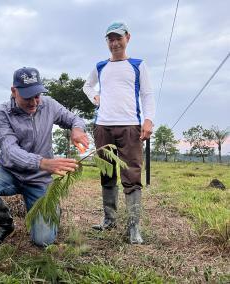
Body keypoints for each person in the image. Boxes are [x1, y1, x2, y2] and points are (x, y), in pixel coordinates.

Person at [0, 67, 89, 247]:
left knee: (43, 241)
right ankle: (5, 225)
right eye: (28, 97)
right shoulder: (1, 113)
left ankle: (51, 209)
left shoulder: (48, 104)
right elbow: (10, 150)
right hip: (10, 173)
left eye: (37, 95)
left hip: (39, 180)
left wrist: (77, 129)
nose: (34, 102)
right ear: (14, 91)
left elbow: (74, 119)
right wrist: (42, 162)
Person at [83, 22, 155, 244]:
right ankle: (109, 218)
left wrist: (148, 120)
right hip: (103, 126)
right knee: (107, 173)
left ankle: (134, 227)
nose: (114, 43)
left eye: (118, 38)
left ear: (127, 38)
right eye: (110, 39)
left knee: (132, 175)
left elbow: (147, 93)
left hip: (130, 126)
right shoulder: (100, 66)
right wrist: (95, 97)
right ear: (107, 42)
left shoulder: (137, 65)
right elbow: (87, 86)